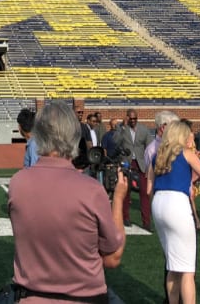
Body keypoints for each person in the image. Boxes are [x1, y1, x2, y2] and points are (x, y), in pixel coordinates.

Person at [8, 100, 127, 303]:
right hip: (83, 296)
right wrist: (118, 199)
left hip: (30, 296)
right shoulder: (91, 190)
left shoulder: (17, 184)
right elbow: (112, 257)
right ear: (74, 136)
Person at [147, 120, 200, 304]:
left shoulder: (158, 155)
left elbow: (149, 189)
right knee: (187, 269)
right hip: (177, 204)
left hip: (158, 203)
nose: (191, 137)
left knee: (173, 266)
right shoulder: (186, 153)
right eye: (188, 135)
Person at [115, 107, 152, 229]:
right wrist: (123, 127)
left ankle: (146, 222)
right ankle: (125, 218)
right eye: (130, 118)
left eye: (135, 118)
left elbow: (149, 147)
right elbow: (115, 141)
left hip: (141, 164)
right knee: (126, 192)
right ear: (126, 118)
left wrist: (149, 165)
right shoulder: (121, 128)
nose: (132, 121)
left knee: (144, 193)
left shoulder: (144, 129)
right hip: (127, 163)